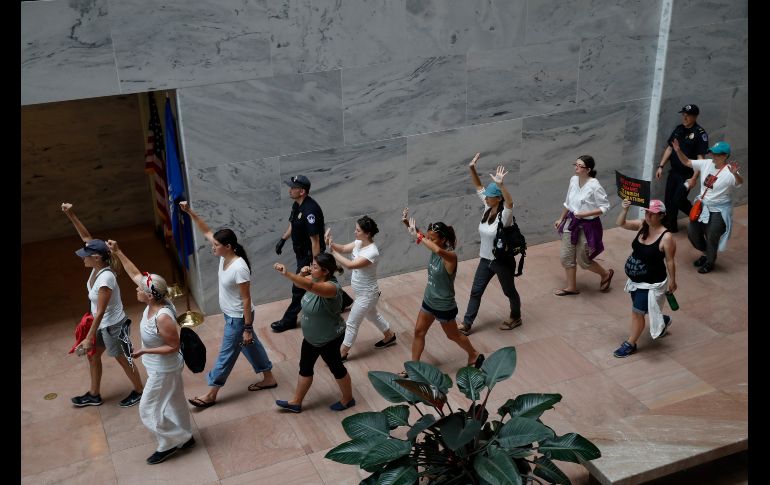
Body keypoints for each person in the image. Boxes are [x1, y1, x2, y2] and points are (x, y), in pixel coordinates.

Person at [179, 202, 277, 408]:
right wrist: (190, 212)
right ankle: (269, 377)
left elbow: (246, 300)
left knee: (226, 353)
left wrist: (248, 328)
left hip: (239, 319)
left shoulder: (239, 268)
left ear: (228, 247)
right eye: (213, 244)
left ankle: (211, 394)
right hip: (231, 315)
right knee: (251, 347)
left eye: (216, 245)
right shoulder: (223, 255)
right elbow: (206, 231)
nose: (212, 247)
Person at [106, 240, 195, 465]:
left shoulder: (162, 316)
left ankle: (170, 443)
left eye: (139, 289)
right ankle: (186, 436)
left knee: (148, 409)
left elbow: (173, 346)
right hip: (163, 366)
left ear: (149, 295)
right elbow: (135, 273)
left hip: (164, 369)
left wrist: (145, 350)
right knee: (175, 401)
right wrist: (118, 251)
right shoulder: (155, 296)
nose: (136, 288)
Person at [61, 202, 144, 408]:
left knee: (122, 358)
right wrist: (71, 214)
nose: (83, 258)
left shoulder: (106, 278)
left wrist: (89, 336)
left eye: (85, 256)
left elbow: (101, 311)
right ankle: (94, 394)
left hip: (112, 325)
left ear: (96, 258)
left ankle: (140, 390)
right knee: (93, 356)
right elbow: (86, 237)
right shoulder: (98, 263)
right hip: (101, 323)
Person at [401, 208, 484, 372]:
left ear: (443, 239)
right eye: (428, 237)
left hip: (444, 306)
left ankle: (473, 354)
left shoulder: (450, 256)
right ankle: (414, 367)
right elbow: (426, 240)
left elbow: (436, 249)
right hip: (429, 300)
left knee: (452, 335)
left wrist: (418, 236)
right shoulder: (433, 244)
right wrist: (407, 223)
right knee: (418, 332)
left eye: (432, 238)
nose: (428, 240)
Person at [273, 253, 355, 413]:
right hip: (311, 338)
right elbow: (300, 285)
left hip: (329, 339)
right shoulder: (314, 278)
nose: (311, 268)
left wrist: (287, 273)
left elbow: (309, 287)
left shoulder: (331, 288)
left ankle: (348, 399)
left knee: (337, 368)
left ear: (325, 271)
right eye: (311, 264)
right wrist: (303, 274)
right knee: (305, 367)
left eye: (314, 266)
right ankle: (296, 402)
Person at [271, 175, 353, 333]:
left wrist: (315, 264)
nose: (290, 190)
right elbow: (293, 224)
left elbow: (315, 240)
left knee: (299, 285)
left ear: (302, 191)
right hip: (301, 253)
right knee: (321, 280)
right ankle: (343, 300)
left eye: (293, 188)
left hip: (311, 254)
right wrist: (282, 239)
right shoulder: (297, 205)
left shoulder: (311, 211)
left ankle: (289, 320)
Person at [458, 153, 522, 335]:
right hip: (485, 260)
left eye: (490, 196)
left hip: (501, 261)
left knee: (509, 292)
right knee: (475, 292)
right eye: (486, 196)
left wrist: (502, 186)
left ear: (498, 198)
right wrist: (472, 168)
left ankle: (516, 316)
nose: (485, 198)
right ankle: (467, 323)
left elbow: (510, 202)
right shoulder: (487, 207)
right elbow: (478, 186)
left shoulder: (505, 215)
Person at [326, 216, 396, 361]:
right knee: (372, 315)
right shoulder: (359, 242)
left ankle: (343, 353)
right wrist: (331, 244)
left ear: (367, 233)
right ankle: (389, 336)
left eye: (358, 230)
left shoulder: (372, 252)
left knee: (351, 323)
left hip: (367, 294)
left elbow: (351, 265)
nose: (355, 232)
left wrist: (333, 253)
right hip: (363, 293)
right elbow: (344, 248)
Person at [613, 199, 677, 358]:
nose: (648, 215)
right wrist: (625, 209)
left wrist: (673, 280)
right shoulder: (642, 225)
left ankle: (630, 343)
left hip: (651, 283)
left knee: (637, 313)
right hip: (635, 282)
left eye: (652, 213)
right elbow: (621, 223)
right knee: (642, 308)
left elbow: (670, 260)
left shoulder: (666, 237)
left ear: (661, 215)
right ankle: (662, 319)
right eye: (646, 212)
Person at [671, 139, 743, 274]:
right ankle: (706, 253)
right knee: (692, 233)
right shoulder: (706, 164)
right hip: (703, 206)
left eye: (716, 154)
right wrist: (678, 150)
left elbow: (739, 182)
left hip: (718, 211)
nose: (713, 156)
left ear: (724, 156)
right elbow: (687, 162)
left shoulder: (729, 172)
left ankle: (710, 261)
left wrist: (735, 174)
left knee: (711, 236)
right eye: (712, 153)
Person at [553, 156, 615, 296]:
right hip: (572, 222)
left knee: (584, 261)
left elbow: (605, 207)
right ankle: (571, 287)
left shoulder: (594, 185)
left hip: (589, 226)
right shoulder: (573, 180)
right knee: (566, 256)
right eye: (575, 164)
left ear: (588, 170)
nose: (576, 167)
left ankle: (605, 274)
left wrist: (585, 214)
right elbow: (568, 202)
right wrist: (561, 218)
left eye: (580, 166)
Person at [655, 104, 708, 233]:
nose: (684, 118)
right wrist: (661, 166)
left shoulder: (700, 134)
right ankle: (671, 226)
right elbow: (669, 148)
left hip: (687, 175)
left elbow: (700, 158)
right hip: (674, 172)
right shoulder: (678, 129)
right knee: (669, 201)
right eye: (683, 115)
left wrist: (694, 178)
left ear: (695, 117)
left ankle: (698, 217)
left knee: (678, 199)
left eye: (687, 116)